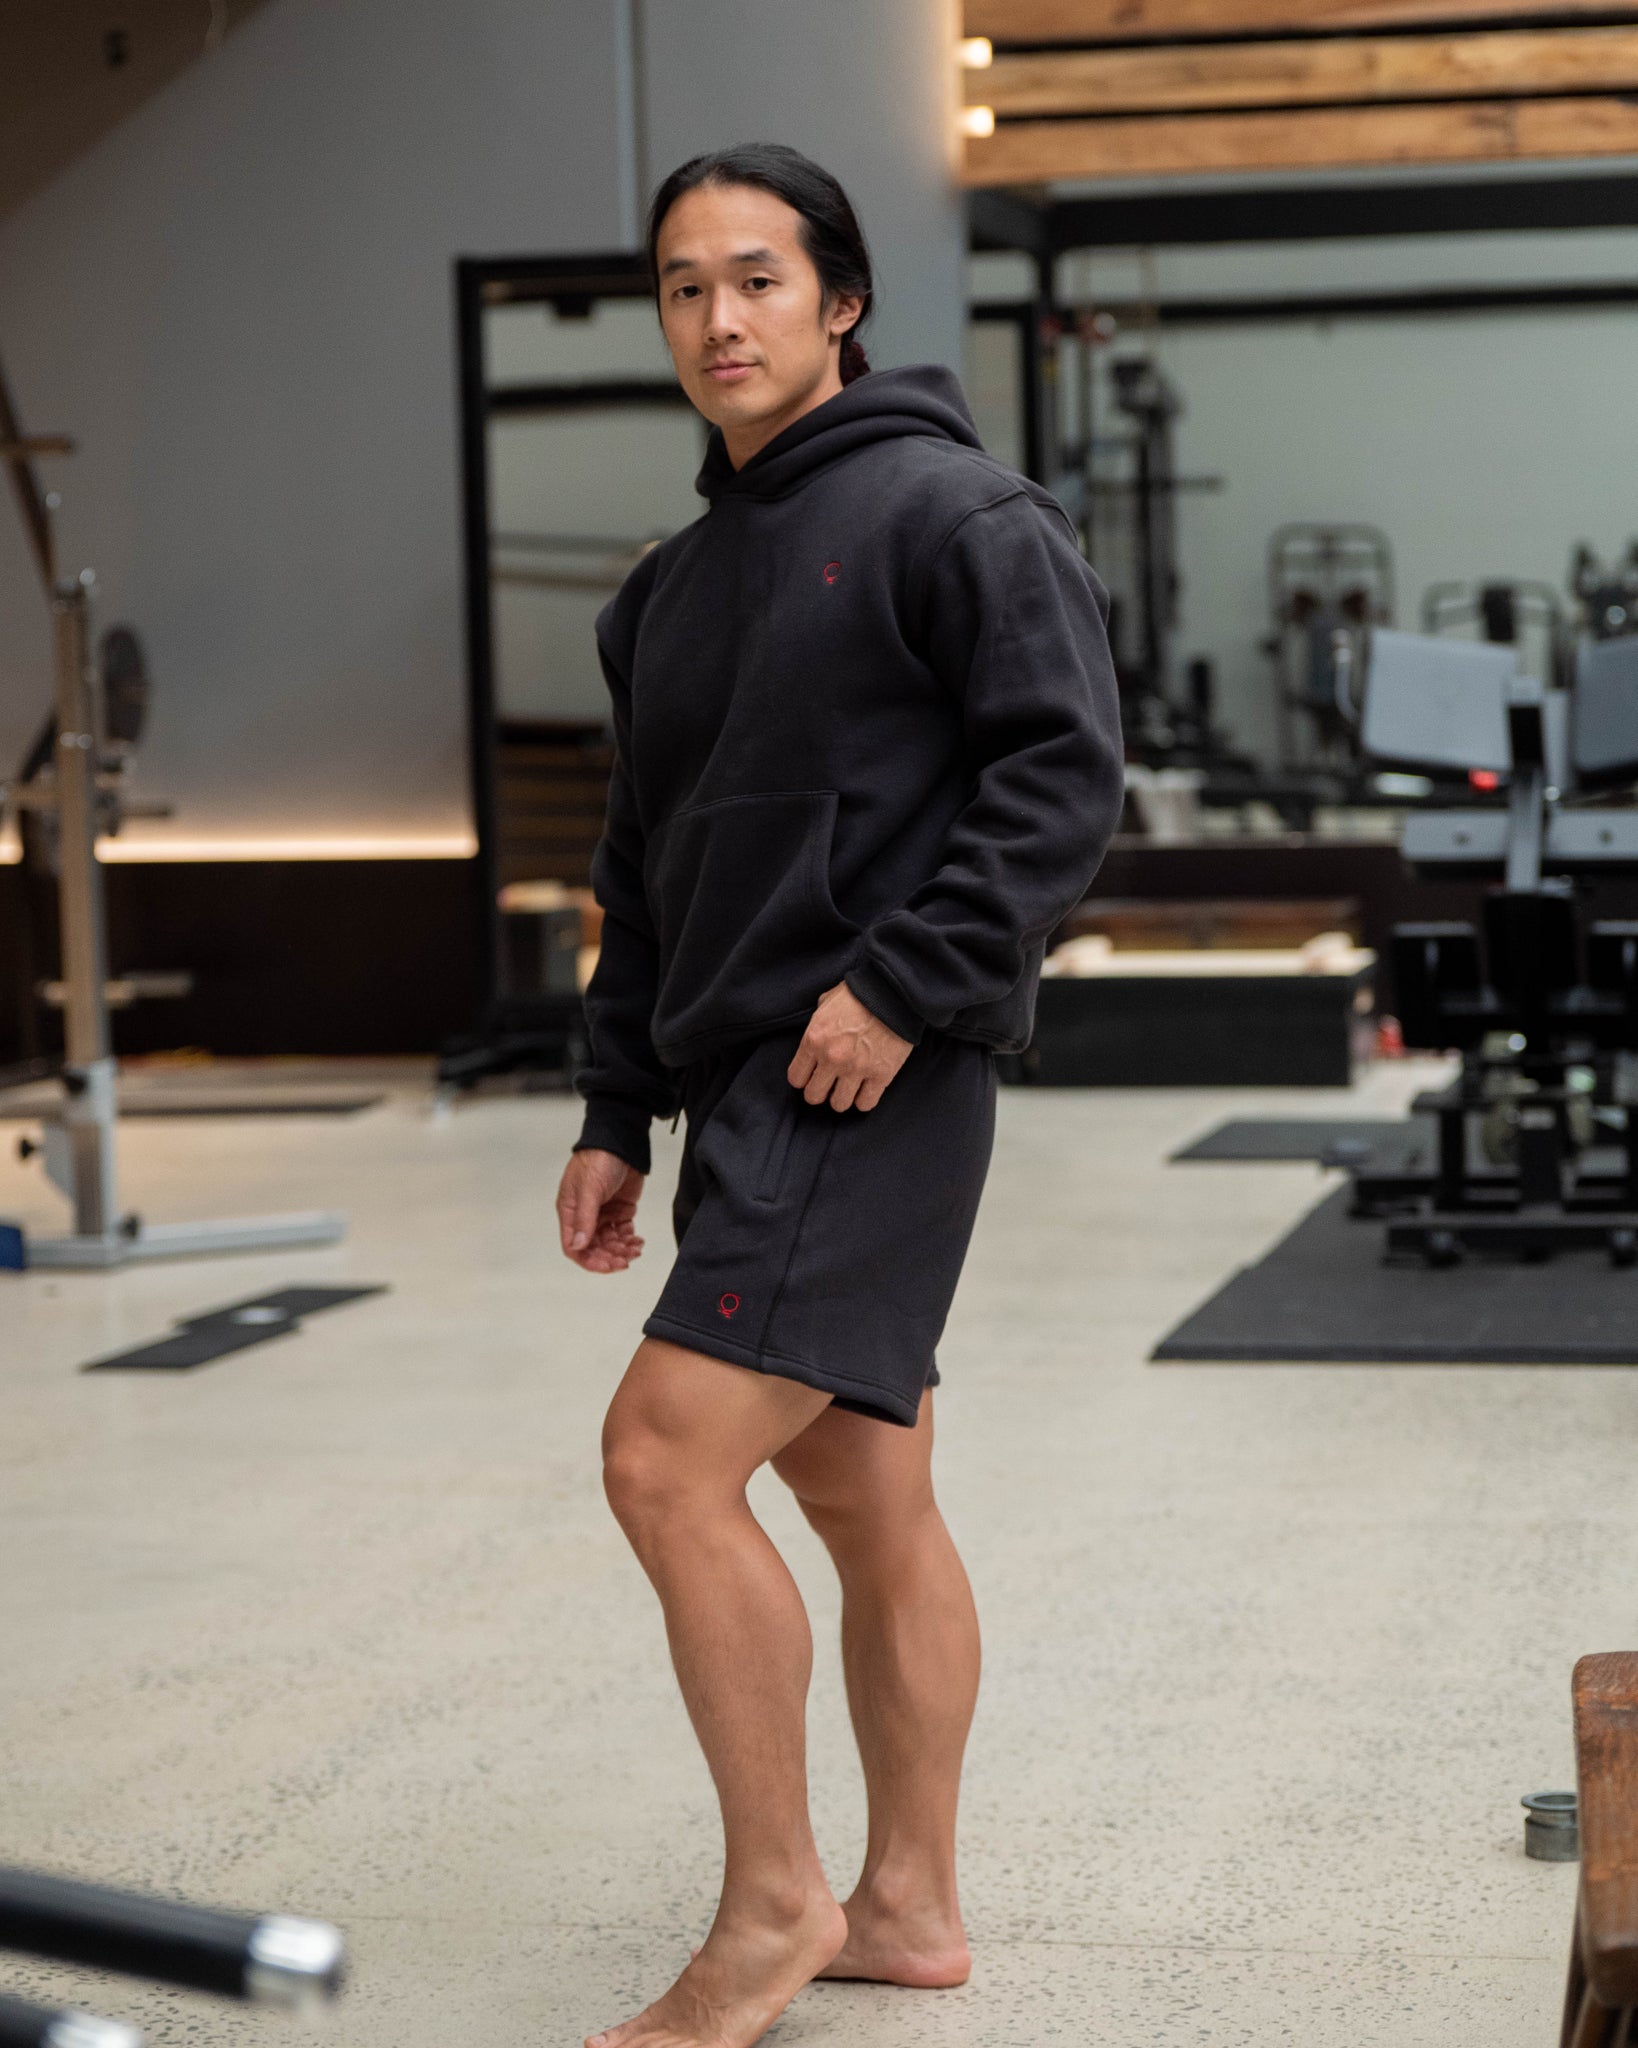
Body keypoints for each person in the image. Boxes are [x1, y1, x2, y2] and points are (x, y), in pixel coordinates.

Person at [556, 142, 1124, 2048]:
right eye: (683, 286)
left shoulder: (959, 516)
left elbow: (1061, 779)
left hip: (865, 1073)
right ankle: (907, 1909)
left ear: (841, 299)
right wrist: (612, 1109)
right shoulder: (663, 593)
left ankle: (770, 1911)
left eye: (758, 279)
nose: (718, 317)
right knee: (866, 1494)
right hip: (737, 1077)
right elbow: (641, 869)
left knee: (661, 1458)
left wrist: (903, 984)